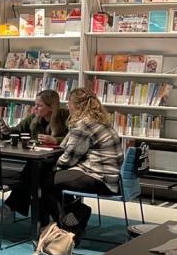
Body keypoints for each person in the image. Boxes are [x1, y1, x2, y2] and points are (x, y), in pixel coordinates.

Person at [42, 88, 122, 240]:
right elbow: (67, 145)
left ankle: (67, 226)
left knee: (47, 181)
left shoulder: (84, 125)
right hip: (110, 176)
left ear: (77, 106)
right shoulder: (99, 121)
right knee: (55, 179)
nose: (67, 105)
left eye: (70, 102)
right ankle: (75, 213)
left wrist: (54, 165)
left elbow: (69, 157)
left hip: (99, 177)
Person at [0, 90, 70, 222]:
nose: (35, 108)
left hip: (61, 161)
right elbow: (18, 130)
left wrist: (56, 140)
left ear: (50, 107)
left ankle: (11, 205)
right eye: (34, 104)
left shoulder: (65, 117)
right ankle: (37, 219)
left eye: (39, 105)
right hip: (39, 160)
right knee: (33, 171)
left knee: (33, 172)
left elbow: (73, 138)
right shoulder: (34, 118)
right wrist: (6, 130)